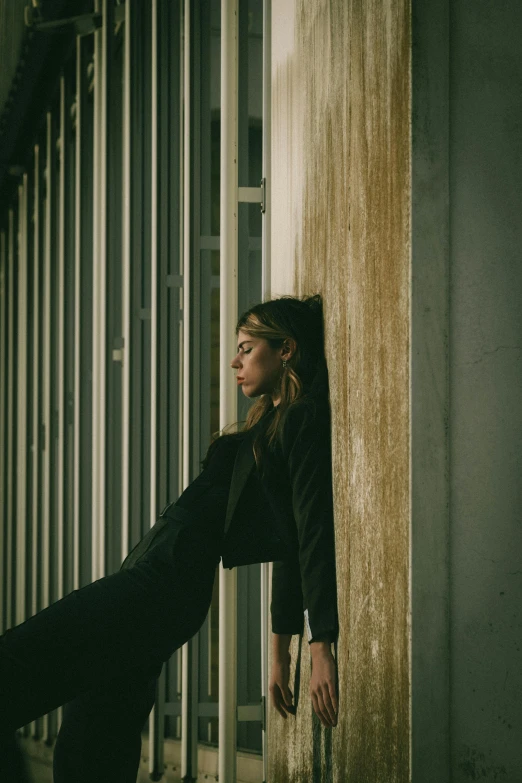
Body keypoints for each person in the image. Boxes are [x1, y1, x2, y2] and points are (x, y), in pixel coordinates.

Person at [0, 294, 339, 783]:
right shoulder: (267, 419)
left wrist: (318, 645)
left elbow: (307, 536)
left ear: (285, 349)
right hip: (155, 578)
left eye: (246, 348)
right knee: (92, 735)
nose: (234, 361)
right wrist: (279, 654)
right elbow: (290, 541)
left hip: (164, 584)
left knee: (23, 658)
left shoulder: (300, 422)